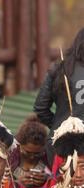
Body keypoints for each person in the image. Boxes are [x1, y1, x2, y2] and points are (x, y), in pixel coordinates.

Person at [34, 28, 84, 165]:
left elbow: (40, 108)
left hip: (59, 144)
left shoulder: (59, 67)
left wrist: (60, 127)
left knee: (59, 185)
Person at [11, 115, 51, 188]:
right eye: (27, 152)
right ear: (19, 145)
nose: (32, 157)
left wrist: (47, 180)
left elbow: (59, 181)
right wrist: (17, 184)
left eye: (37, 153)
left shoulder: (49, 157)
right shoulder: (9, 157)